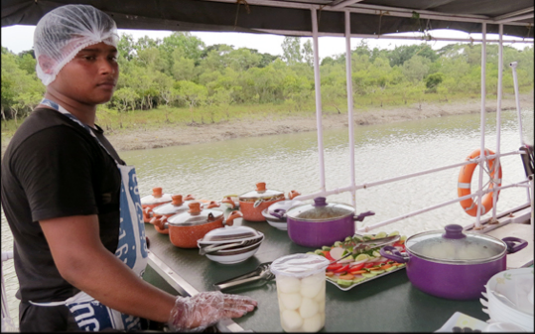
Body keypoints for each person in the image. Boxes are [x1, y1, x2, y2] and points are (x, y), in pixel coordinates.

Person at [0, 4, 257, 332]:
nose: (107, 68)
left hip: (109, 301)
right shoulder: (52, 141)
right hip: (75, 316)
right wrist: (180, 310)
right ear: (49, 63)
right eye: (89, 56)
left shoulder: (79, 130)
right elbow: (79, 262)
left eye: (112, 55)